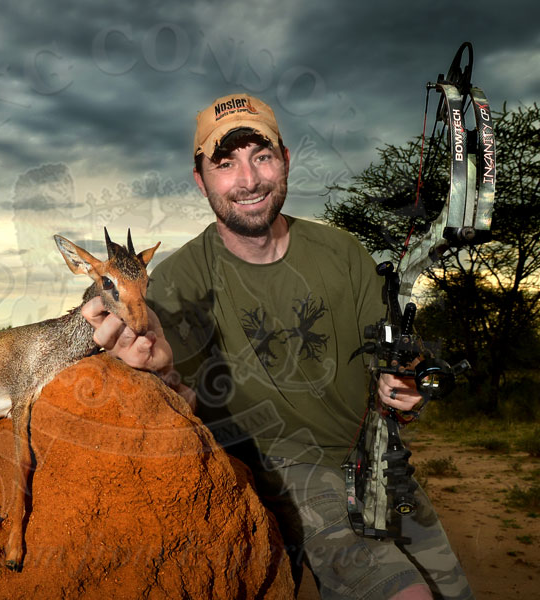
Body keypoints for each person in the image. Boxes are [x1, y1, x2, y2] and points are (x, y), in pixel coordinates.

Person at [82, 93, 472, 600]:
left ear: (285, 161)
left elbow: (390, 356)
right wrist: (151, 372)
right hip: (288, 471)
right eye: (225, 163)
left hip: (375, 461)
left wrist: (404, 383)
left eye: (261, 156)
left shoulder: (342, 251)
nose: (248, 180)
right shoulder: (176, 281)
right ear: (200, 180)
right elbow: (181, 399)